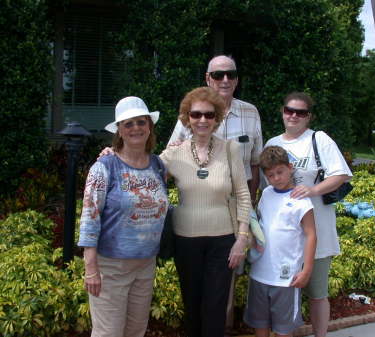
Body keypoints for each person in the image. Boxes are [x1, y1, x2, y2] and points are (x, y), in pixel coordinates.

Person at [160, 86, 251, 337]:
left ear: (217, 118)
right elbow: (140, 170)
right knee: (192, 307)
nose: (202, 120)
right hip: (185, 240)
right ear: (186, 118)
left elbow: (243, 195)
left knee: (215, 308)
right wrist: (113, 152)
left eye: (209, 115)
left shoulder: (230, 149)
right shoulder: (173, 153)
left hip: (223, 241)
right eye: (196, 114)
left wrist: (242, 238)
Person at [78, 96, 168, 337]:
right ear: (119, 130)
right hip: (111, 267)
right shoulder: (104, 167)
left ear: (149, 126)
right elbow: (90, 217)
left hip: (145, 265)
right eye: (128, 124)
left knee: (136, 331)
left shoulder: (158, 165)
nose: (135, 128)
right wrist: (90, 268)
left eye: (141, 122)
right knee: (108, 332)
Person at [264, 92, 352, 337]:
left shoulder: (319, 139)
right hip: (283, 238)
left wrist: (313, 190)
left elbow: (341, 174)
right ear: (282, 111)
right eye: (289, 110)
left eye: (300, 112)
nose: (293, 116)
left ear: (308, 116)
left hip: (317, 232)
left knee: (317, 294)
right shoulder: (272, 143)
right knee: (282, 293)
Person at [168, 55, 263, 205]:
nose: (225, 80)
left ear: (236, 80)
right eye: (218, 75)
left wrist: (251, 201)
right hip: (199, 204)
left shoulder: (251, 112)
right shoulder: (191, 113)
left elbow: (255, 163)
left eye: (231, 75)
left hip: (240, 203)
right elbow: (170, 160)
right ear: (208, 78)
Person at [244, 145, 317, 337]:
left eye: (280, 172)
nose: (276, 178)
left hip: (286, 278)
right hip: (259, 273)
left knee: (283, 330)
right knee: (260, 323)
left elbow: (311, 234)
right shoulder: (266, 194)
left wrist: (306, 270)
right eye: (270, 175)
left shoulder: (302, 200)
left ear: (290, 167)